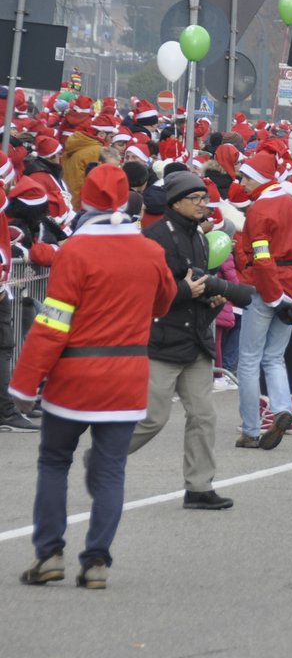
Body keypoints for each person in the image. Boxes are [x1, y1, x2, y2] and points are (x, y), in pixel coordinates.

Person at [15, 164, 176, 589]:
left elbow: (52, 324)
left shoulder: (75, 252)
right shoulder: (150, 251)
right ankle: (97, 561)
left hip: (74, 375)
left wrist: (25, 383)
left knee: (53, 462)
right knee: (110, 471)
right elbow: (164, 302)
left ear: (85, 200)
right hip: (127, 375)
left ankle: (49, 554)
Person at [128, 171, 248, 509]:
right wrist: (185, 292)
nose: (202, 204)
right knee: (152, 417)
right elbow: (144, 292)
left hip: (195, 337)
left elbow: (194, 282)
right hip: (162, 339)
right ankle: (106, 456)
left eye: (203, 197)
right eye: (194, 198)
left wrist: (208, 300)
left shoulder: (196, 236)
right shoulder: (152, 238)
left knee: (204, 415)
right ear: (175, 201)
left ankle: (198, 487)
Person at [233, 152, 292, 450]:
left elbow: (263, 260)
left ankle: (251, 429)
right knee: (274, 357)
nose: (241, 182)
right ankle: (282, 410)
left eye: (245, 177)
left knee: (250, 360)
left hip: (266, 288)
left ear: (258, 178)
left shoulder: (259, 211)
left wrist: (275, 298)